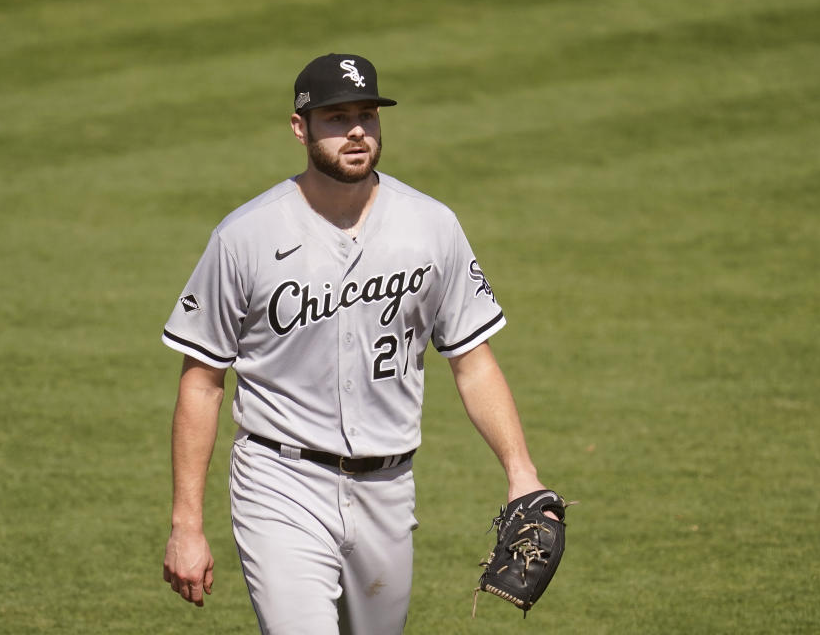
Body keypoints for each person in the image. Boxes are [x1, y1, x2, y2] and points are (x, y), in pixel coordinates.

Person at [160, 53, 552, 635]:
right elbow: (203, 379)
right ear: (300, 127)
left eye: (366, 115)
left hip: (388, 491)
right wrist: (186, 522)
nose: (356, 132)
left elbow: (471, 362)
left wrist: (523, 473)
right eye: (335, 118)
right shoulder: (245, 236)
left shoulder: (431, 225)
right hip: (280, 483)